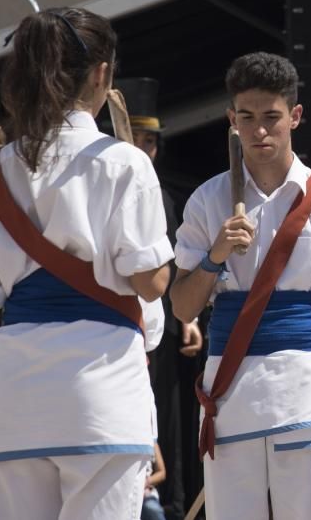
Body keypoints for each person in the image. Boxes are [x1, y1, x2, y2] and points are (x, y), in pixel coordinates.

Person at [0, 8, 173, 519]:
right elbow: (150, 283)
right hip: (101, 395)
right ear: (101, 74)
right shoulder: (124, 163)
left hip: (13, 395)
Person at [170, 52, 311, 519]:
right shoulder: (206, 200)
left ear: (295, 117)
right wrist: (213, 258)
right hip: (227, 395)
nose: (259, 131)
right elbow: (182, 308)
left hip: (307, 394)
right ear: (231, 119)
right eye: (247, 117)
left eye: (271, 118)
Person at [116, 76, 204, 519]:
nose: (147, 150)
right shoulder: (103, 184)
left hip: (160, 324)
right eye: (139, 138)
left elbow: (175, 262)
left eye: (153, 141)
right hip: (113, 322)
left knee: (165, 420)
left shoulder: (164, 197)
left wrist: (187, 318)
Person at [142, 441, 167, 520]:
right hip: (125, 492)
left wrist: (146, 482)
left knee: (152, 510)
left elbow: (162, 473)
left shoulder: (151, 438)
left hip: (145, 494)